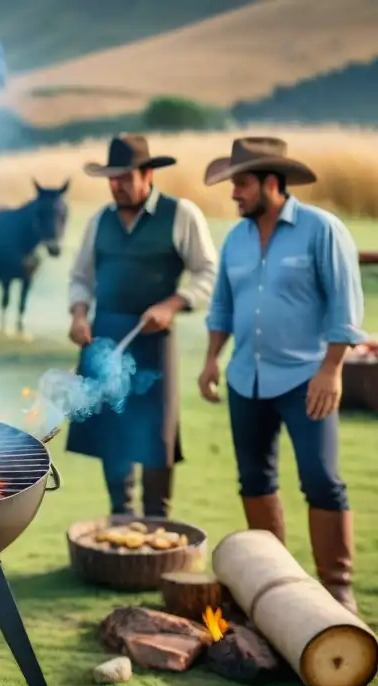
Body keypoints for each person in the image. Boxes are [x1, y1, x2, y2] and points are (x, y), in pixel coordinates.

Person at [198, 137, 367, 613]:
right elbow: (222, 306)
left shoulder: (322, 229)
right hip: (244, 379)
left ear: (272, 183)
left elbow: (345, 305)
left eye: (242, 184)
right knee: (254, 478)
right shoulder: (236, 239)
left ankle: (338, 588)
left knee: (321, 479)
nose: (235, 194)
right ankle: (275, 583)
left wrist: (331, 370)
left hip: (304, 379)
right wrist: (212, 358)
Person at [65, 134, 218, 519]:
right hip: (104, 337)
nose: (115, 185)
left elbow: (207, 272)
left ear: (147, 173)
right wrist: (79, 315)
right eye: (111, 178)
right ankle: (121, 514)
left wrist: (172, 304)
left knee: (155, 432)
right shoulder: (100, 220)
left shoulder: (181, 214)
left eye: (123, 177)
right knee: (112, 430)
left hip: (154, 338)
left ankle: (156, 519)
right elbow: (81, 277)